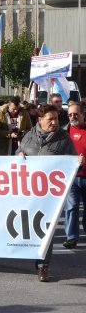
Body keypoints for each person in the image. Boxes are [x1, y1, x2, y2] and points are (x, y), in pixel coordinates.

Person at [17, 104, 77, 282]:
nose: (54, 122)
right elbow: (18, 152)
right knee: (29, 227)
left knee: (47, 229)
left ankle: (43, 265)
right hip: (29, 191)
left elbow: (72, 162)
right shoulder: (29, 136)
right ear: (40, 120)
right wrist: (19, 154)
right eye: (50, 119)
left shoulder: (64, 138)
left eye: (56, 119)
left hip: (51, 194)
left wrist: (78, 162)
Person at [62, 103, 86, 249]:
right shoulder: (63, 132)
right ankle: (71, 237)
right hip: (71, 177)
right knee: (71, 207)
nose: (72, 117)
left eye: (76, 114)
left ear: (83, 114)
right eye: (70, 114)